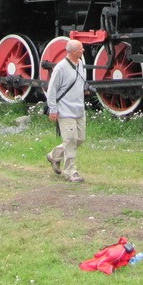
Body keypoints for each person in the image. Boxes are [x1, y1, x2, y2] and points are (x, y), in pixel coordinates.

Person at [45, 38, 88, 183]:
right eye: (81, 48)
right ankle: (71, 172)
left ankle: (54, 155)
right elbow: (52, 89)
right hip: (65, 110)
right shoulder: (60, 68)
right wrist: (53, 109)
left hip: (79, 109)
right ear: (74, 52)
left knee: (80, 139)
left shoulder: (81, 64)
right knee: (70, 140)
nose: (83, 50)